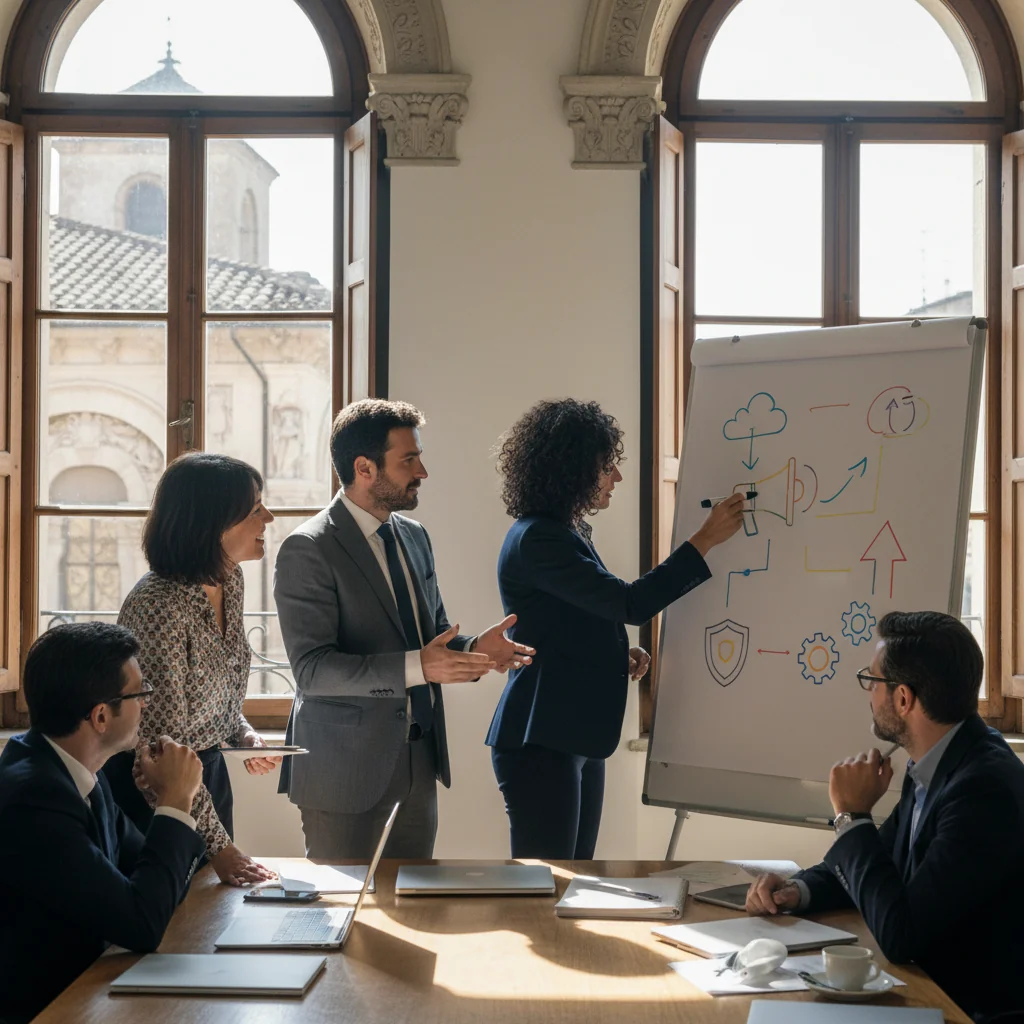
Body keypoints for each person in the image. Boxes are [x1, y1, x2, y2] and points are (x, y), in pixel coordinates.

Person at [274, 398, 535, 859]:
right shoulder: (307, 548)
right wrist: (419, 666)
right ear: (364, 467)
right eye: (409, 460)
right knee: (344, 918)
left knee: (415, 918)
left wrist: (476, 649)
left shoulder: (415, 536)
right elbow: (313, 672)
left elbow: (430, 637)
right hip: (342, 773)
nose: (423, 471)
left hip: (418, 765)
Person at [486, 398, 745, 858]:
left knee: (574, 877)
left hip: (572, 736)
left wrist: (613, 652)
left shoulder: (568, 532)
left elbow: (567, 620)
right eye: (607, 467)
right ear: (573, 470)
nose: (617, 478)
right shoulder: (540, 538)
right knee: (544, 887)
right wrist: (704, 540)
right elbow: (628, 603)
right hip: (541, 739)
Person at [745, 610, 1024, 1022]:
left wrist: (851, 816)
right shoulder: (938, 761)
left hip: (970, 1009)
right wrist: (798, 890)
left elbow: (902, 936)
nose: (868, 693)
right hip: (929, 989)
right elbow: (882, 862)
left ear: (904, 698)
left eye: (872, 681)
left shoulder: (981, 790)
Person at [0, 623, 205, 1024]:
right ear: (100, 716)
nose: (146, 705)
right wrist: (177, 800)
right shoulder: (35, 798)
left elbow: (157, 887)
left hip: (84, 994)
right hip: (43, 1010)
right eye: (139, 694)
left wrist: (165, 799)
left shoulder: (79, 774)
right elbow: (142, 922)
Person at [103, 452, 281, 887]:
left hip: (208, 775)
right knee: (173, 933)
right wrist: (220, 847)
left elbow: (213, 682)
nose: (269, 518)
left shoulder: (229, 579)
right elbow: (162, 750)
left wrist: (241, 733)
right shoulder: (159, 606)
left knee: (215, 920)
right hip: (157, 791)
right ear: (212, 523)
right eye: (255, 509)